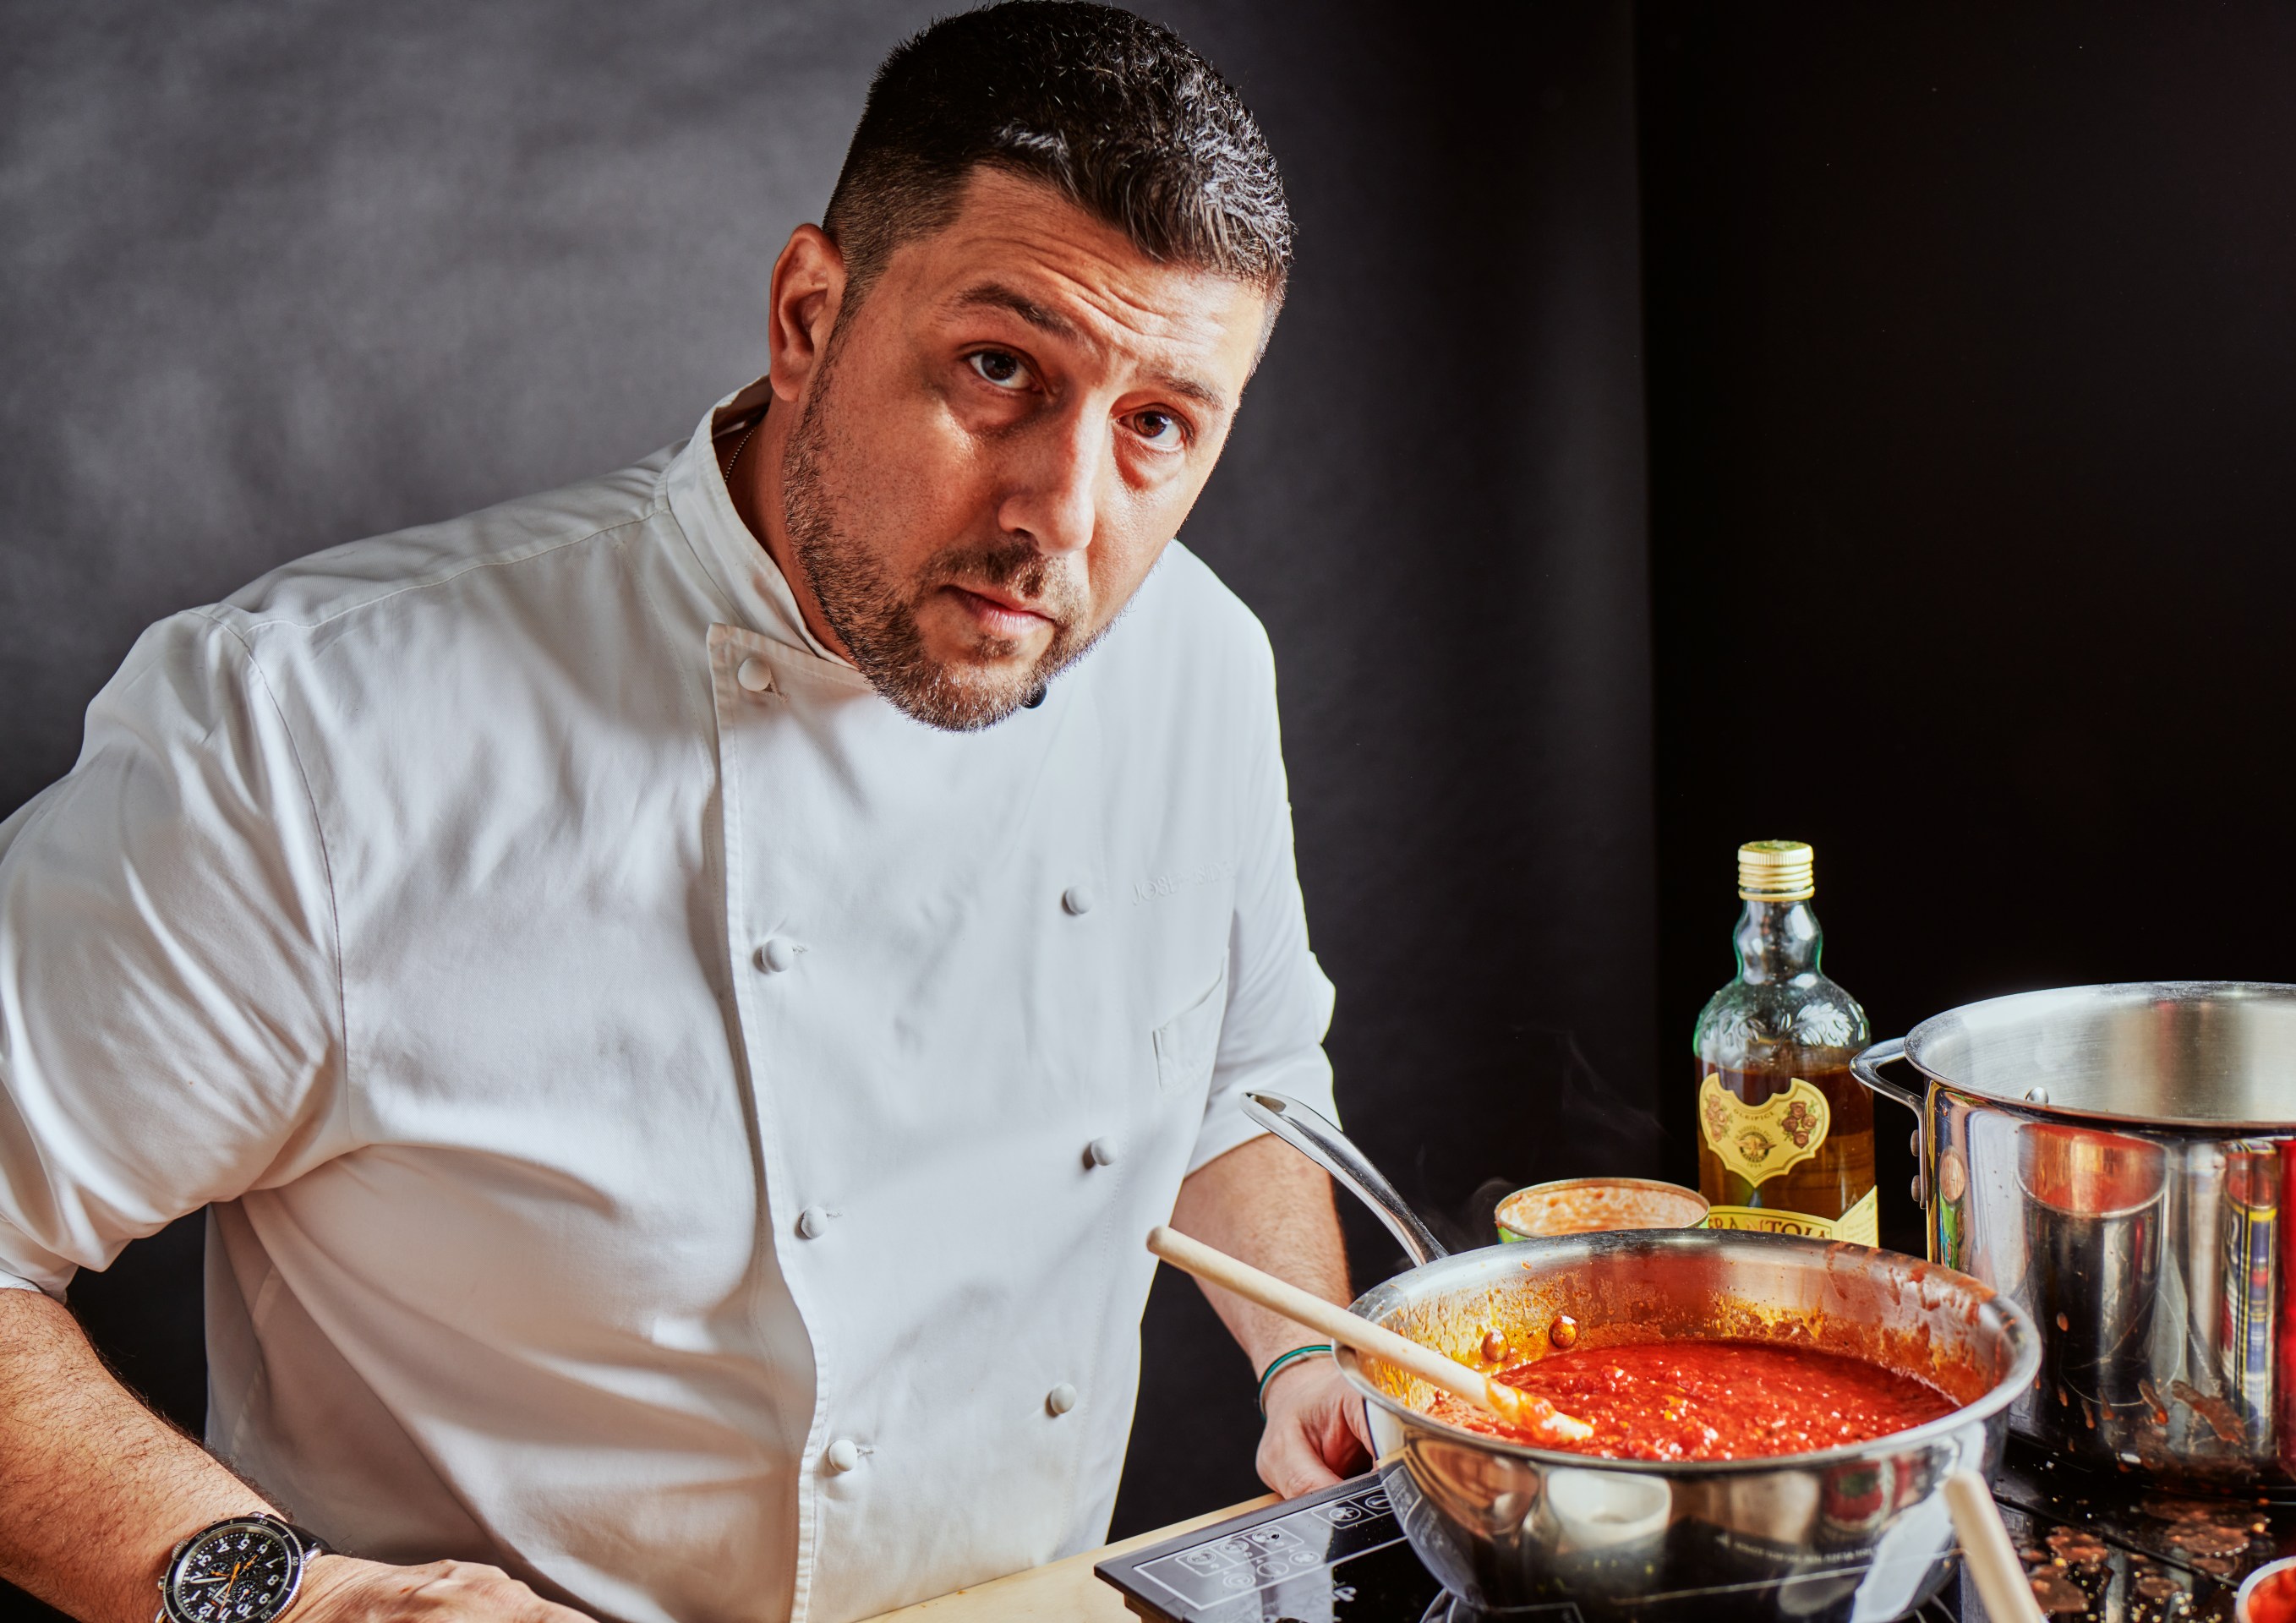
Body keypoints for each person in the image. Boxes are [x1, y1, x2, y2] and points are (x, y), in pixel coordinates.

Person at [0, 6, 1368, 1621]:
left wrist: (1307, 1357)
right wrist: (309, 1604)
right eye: (1000, 370)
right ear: (809, 315)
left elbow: (1234, 1087)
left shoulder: (1195, 662)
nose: (1058, 522)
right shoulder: (307, 731)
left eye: (1158, 426)